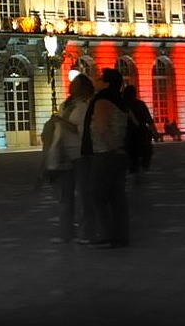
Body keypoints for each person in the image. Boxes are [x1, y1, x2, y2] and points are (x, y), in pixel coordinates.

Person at [75, 69, 131, 248]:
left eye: (99, 78)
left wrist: (114, 148)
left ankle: (106, 234)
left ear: (107, 83)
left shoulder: (102, 101)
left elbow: (103, 128)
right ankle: (120, 236)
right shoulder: (119, 99)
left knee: (96, 194)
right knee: (117, 197)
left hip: (104, 154)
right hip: (118, 154)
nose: (96, 80)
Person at [44, 72, 96, 244]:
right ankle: (67, 233)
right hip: (63, 154)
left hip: (80, 154)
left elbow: (81, 131)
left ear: (82, 87)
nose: (71, 84)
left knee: (84, 195)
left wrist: (61, 121)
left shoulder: (84, 106)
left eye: (75, 83)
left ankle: (86, 232)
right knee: (65, 196)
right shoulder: (66, 105)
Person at [120, 85, 157, 175]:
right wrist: (155, 133)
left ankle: (134, 172)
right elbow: (149, 120)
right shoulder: (140, 104)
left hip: (127, 135)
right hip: (141, 134)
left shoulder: (121, 105)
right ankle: (143, 169)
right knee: (145, 152)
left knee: (131, 158)